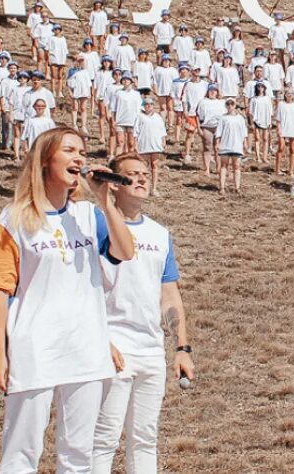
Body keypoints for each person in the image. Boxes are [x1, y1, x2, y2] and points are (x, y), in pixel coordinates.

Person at [0, 127, 136, 474]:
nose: (79, 158)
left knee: (78, 454)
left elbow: (125, 251)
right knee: (21, 452)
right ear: (46, 160)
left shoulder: (89, 217)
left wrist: (105, 202)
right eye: (70, 150)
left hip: (86, 349)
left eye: (83, 152)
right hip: (35, 347)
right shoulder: (16, 217)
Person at [91, 154, 192, 474]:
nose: (141, 179)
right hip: (112, 345)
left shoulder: (160, 234)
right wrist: (100, 340)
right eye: (131, 175)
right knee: (104, 438)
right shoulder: (94, 223)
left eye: (144, 174)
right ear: (115, 183)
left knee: (145, 438)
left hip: (150, 348)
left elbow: (169, 292)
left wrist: (181, 347)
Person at [133, 99, 168, 196]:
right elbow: (135, 131)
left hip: (155, 144)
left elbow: (162, 131)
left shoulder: (158, 117)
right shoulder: (140, 117)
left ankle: (154, 188)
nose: (148, 106)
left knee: (154, 165)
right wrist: (135, 144)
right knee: (144, 168)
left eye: (150, 104)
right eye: (146, 104)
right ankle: (143, 187)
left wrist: (163, 141)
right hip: (143, 144)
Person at [215, 99, 249, 195]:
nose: (230, 106)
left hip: (237, 145)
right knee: (224, 166)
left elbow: (244, 133)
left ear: (235, 105)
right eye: (228, 104)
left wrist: (245, 143)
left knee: (237, 166)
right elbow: (219, 131)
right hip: (225, 144)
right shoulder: (223, 118)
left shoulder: (240, 118)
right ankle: (222, 187)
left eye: (232, 104)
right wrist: (217, 143)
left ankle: (237, 187)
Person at [274, 90, 294, 177]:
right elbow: (278, 118)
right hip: (283, 128)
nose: (289, 96)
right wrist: (278, 129)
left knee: (292, 149)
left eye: (291, 94)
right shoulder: (281, 104)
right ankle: (277, 169)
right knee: (281, 148)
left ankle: (291, 170)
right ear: (285, 95)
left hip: (293, 128)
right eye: (287, 94)